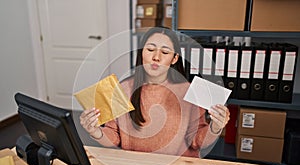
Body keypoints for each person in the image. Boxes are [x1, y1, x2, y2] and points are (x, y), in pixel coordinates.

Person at [80, 27, 230, 157]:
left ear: (174, 58)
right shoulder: (121, 89)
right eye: (150, 50)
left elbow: (196, 141)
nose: (156, 57)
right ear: (141, 53)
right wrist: (95, 131)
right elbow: (114, 137)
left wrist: (215, 127)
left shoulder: (189, 91)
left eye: (165, 52)